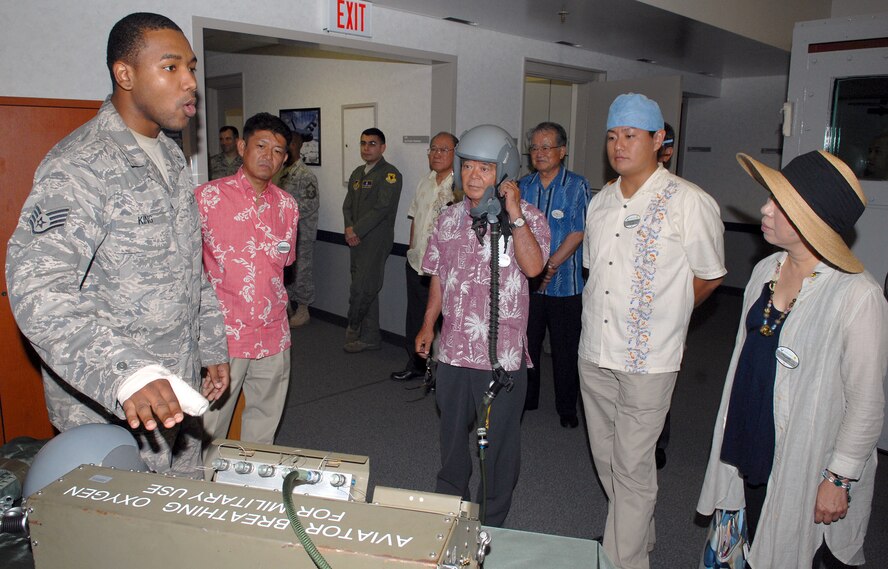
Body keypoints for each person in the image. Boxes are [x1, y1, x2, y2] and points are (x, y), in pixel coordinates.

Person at [5, 12, 230, 476]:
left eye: (191, 67)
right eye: (171, 68)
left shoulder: (170, 154)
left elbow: (192, 266)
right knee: (122, 541)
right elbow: (38, 290)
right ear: (124, 74)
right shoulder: (80, 165)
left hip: (178, 390)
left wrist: (212, 346)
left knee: (182, 516)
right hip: (113, 406)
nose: (190, 82)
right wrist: (127, 373)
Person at [697, 150, 888, 568]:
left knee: (787, 547)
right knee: (748, 535)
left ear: (813, 219)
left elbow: (867, 403)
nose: (764, 208)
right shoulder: (766, 268)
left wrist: (839, 478)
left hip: (804, 457)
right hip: (749, 441)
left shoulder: (857, 296)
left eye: (779, 204)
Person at [579, 93, 726, 569]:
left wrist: (668, 313)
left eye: (631, 135)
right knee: (607, 460)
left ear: (658, 139)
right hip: (594, 352)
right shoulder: (600, 202)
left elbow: (709, 275)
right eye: (613, 136)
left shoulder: (689, 202)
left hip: (648, 359)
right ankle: (638, 537)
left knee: (633, 464)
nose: (619, 145)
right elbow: (594, 275)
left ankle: (623, 560)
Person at [416, 124, 550, 527]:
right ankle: (449, 516)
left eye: (486, 168)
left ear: (505, 173)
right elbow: (438, 275)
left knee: (498, 451)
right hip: (453, 353)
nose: (474, 175)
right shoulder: (448, 218)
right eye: (469, 166)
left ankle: (491, 523)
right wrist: (427, 326)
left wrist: (514, 216)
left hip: (502, 359)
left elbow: (534, 267)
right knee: (452, 444)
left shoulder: (530, 220)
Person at [195, 112, 298, 446]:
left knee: (263, 429)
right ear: (242, 147)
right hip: (223, 336)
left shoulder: (288, 206)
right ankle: (204, 493)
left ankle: (253, 491)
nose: (269, 156)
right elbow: (186, 270)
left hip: (273, 333)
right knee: (209, 428)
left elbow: (285, 264)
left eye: (279, 150)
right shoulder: (206, 199)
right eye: (261, 145)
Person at [519, 121, 591, 428]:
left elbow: (578, 231)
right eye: (534, 147)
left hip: (566, 286)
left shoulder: (577, 185)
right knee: (527, 345)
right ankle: (527, 399)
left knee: (565, 350)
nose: (539, 153)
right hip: (529, 286)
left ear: (562, 151)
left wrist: (549, 266)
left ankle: (567, 408)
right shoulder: (523, 186)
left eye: (546, 147)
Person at [391, 131, 460, 382]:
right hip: (417, 263)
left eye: (444, 149)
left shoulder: (459, 187)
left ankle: (443, 375)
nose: (437, 154)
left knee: (445, 322)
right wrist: (412, 249)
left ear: (456, 154)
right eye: (433, 149)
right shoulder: (425, 182)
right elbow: (415, 219)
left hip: (445, 270)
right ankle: (417, 365)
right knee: (416, 317)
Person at [342, 128, 402, 353]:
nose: (366, 148)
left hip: (375, 240)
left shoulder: (390, 174)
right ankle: (371, 336)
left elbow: (381, 209)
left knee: (362, 288)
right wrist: (349, 228)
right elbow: (347, 205)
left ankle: (353, 326)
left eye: (372, 144)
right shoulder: (358, 173)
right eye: (363, 143)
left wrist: (355, 230)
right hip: (355, 239)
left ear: (382, 147)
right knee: (366, 286)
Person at [278, 131, 319, 327]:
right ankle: (288, 307)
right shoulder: (282, 172)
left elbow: (310, 206)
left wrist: (286, 215)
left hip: (301, 233)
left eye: (289, 143)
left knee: (302, 272)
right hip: (284, 235)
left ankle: (303, 309)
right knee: (287, 271)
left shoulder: (305, 175)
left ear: (296, 145)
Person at [654, 120, 675, 469]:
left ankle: (658, 441)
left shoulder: (683, 199)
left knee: (655, 390)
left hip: (660, 318)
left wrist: (677, 310)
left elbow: (708, 276)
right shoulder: (610, 196)